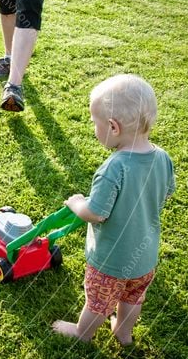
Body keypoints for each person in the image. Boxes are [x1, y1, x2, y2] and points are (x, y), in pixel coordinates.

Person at [52, 75, 176, 345]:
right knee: (133, 297)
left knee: (98, 301)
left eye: (95, 123)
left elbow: (96, 213)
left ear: (112, 126)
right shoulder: (163, 158)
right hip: (145, 257)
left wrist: (76, 205)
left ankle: (82, 333)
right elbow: (165, 193)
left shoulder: (113, 168)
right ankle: (123, 331)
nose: (94, 128)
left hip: (110, 261)